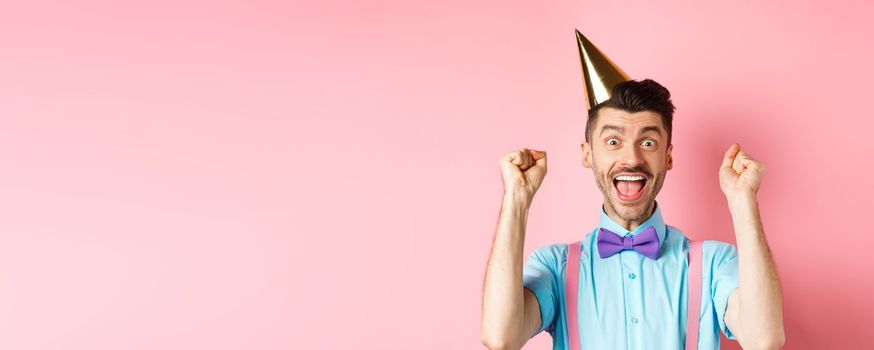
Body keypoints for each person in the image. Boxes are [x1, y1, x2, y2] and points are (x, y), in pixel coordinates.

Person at [480, 79, 785, 350]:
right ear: (588, 154)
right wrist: (516, 200)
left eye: (648, 142)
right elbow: (500, 337)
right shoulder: (554, 267)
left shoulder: (715, 263)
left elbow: (764, 340)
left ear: (668, 156)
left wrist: (742, 200)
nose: (631, 158)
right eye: (613, 142)